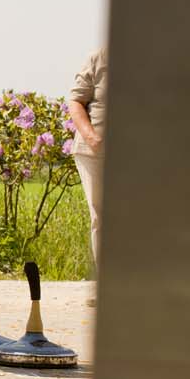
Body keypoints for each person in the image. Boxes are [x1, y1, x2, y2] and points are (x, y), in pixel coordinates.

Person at [65, 49, 107, 271]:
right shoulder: (99, 58)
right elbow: (75, 101)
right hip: (94, 152)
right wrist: (92, 136)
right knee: (102, 215)